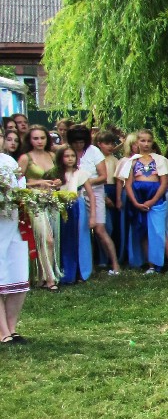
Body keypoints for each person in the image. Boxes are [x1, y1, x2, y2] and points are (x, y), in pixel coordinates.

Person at [68, 125, 121, 274]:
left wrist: (85, 182)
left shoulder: (94, 151)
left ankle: (115, 264)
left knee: (99, 230)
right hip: (73, 194)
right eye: (76, 142)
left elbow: (103, 176)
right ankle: (85, 266)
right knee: (80, 230)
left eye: (81, 142)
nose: (79, 145)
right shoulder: (68, 151)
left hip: (95, 193)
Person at [17, 126, 63, 290]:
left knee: (52, 240)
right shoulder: (25, 158)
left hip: (52, 199)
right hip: (34, 201)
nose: (39, 141)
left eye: (42, 138)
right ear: (30, 140)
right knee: (45, 238)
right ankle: (50, 279)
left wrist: (58, 182)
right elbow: (17, 183)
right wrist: (37, 182)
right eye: (35, 138)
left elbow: (59, 177)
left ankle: (45, 277)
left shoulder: (52, 155)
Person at [125, 129, 168, 273]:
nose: (146, 144)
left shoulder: (159, 160)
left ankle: (163, 262)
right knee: (143, 231)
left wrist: (153, 200)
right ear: (137, 142)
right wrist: (135, 202)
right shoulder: (132, 161)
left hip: (154, 197)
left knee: (158, 231)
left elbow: (163, 183)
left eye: (149, 141)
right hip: (139, 197)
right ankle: (150, 265)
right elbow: (128, 184)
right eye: (142, 141)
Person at [1, 147, 30, 344]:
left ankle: (11, 328)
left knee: (18, 274)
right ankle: (3, 332)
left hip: (12, 222)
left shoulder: (8, 161)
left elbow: (21, 189)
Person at [56, 145, 97, 284]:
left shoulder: (81, 173)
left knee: (80, 239)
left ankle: (81, 272)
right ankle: (65, 271)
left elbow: (91, 195)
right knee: (64, 239)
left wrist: (92, 216)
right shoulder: (56, 174)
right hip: (61, 208)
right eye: (66, 156)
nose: (70, 159)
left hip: (77, 207)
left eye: (72, 156)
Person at [97, 128, 127, 263]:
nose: (110, 146)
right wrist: (105, 196)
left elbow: (119, 179)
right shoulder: (97, 159)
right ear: (99, 144)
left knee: (115, 226)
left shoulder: (114, 159)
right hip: (102, 190)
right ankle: (103, 258)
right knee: (105, 226)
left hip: (115, 190)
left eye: (112, 143)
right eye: (107, 143)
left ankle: (116, 256)